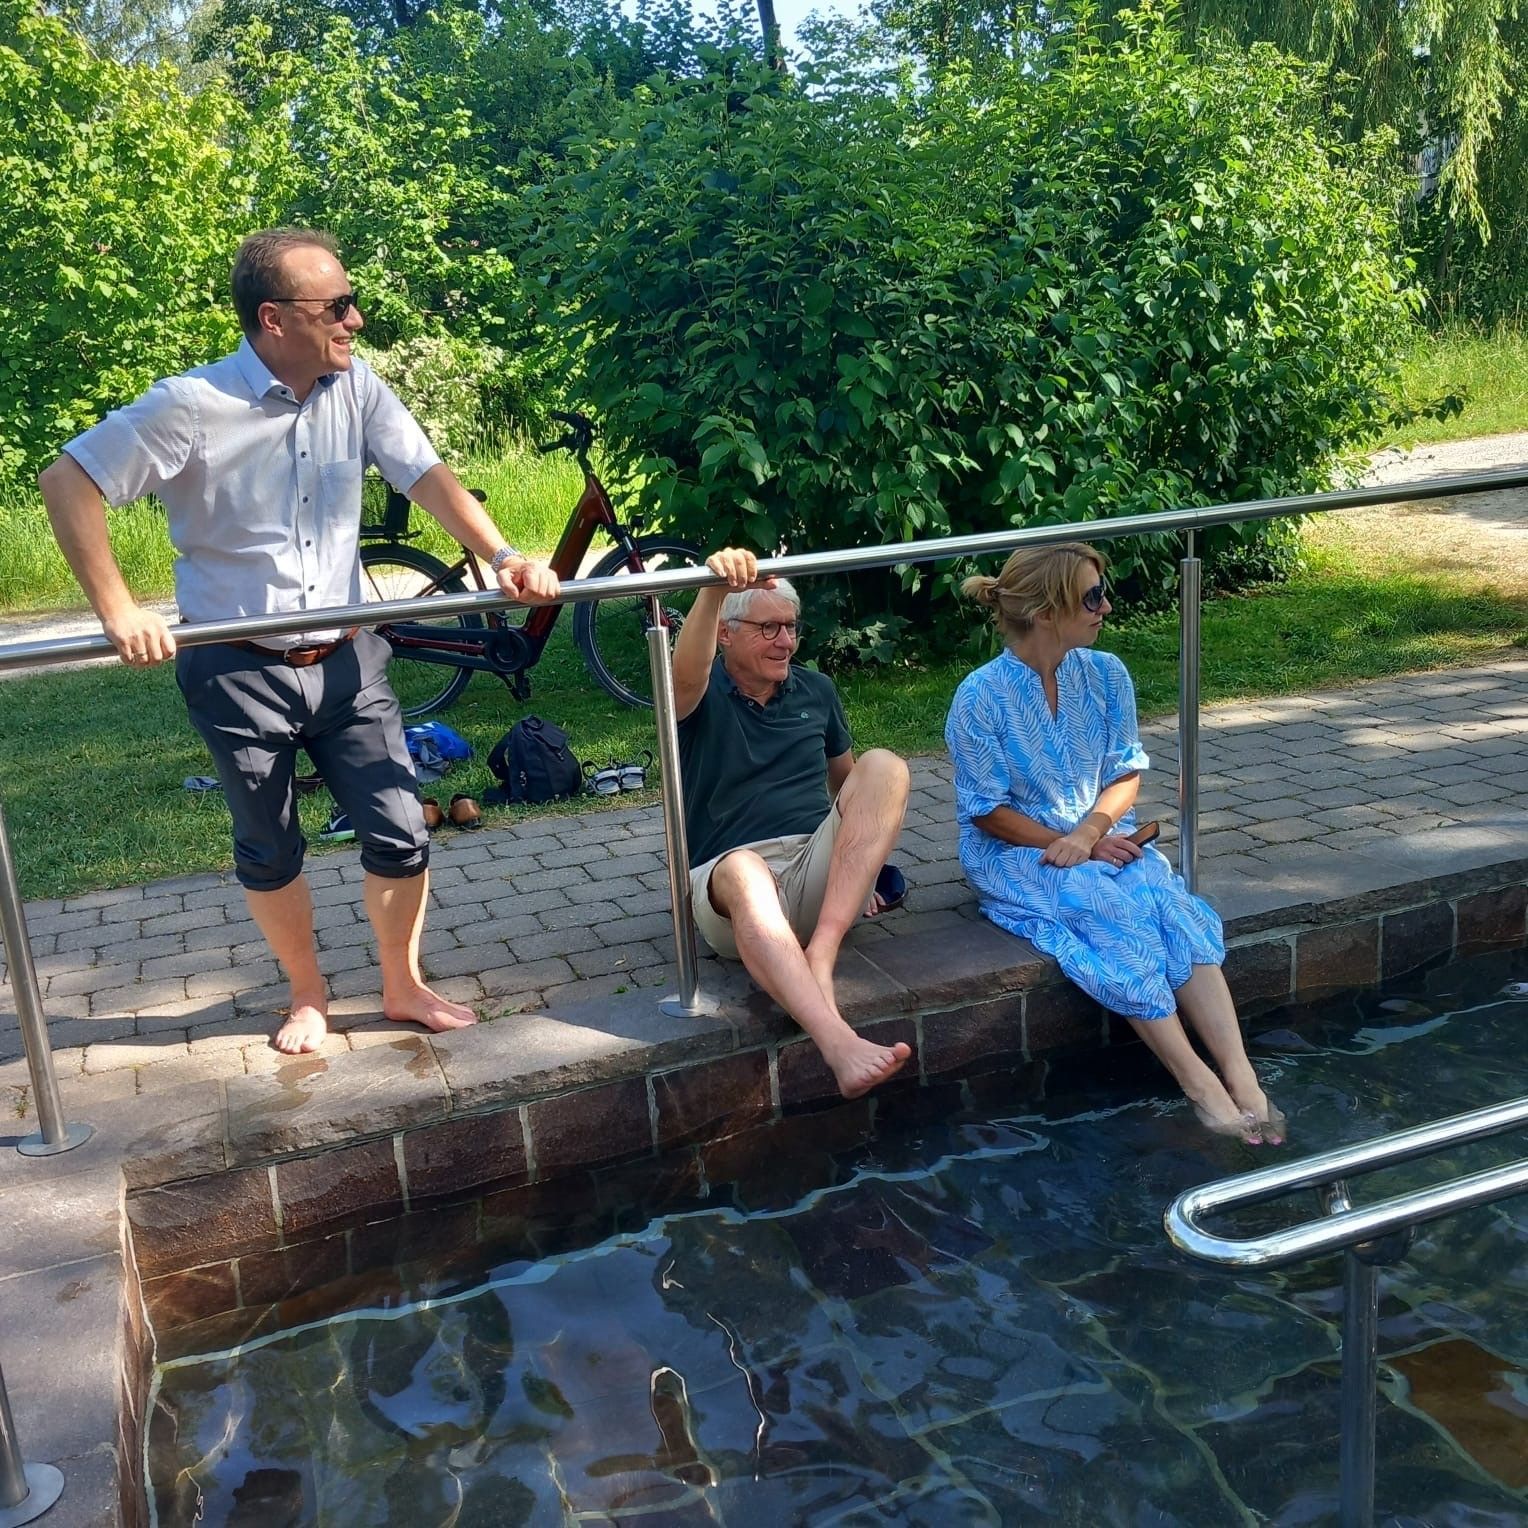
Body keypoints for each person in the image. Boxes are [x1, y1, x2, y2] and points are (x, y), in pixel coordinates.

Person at [37, 227, 559, 1056]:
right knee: (271, 844)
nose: (355, 320)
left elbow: (426, 476)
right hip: (236, 668)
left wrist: (500, 554)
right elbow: (68, 481)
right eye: (338, 306)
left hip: (349, 659)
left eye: (352, 302)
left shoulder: (357, 388)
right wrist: (117, 608)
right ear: (274, 319)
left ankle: (401, 983)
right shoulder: (192, 405)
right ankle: (308, 995)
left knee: (401, 828)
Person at [944, 542, 1284, 1143]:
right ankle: (1197, 1083)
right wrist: (1072, 843)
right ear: (1048, 611)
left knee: (1166, 899)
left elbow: (1126, 774)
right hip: (1016, 851)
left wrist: (1093, 832)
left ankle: (1242, 1076)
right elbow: (987, 812)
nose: (1106, 607)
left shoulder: (1107, 675)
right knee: (1108, 905)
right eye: (1093, 596)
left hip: (1096, 834)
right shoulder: (978, 697)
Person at [673, 548, 914, 1099]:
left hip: (814, 873)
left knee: (886, 767)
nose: (786, 641)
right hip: (731, 887)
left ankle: (821, 956)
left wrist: (865, 869)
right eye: (769, 628)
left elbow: (851, 787)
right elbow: (686, 670)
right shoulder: (697, 694)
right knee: (743, 870)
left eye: (791, 628)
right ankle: (837, 1043)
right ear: (727, 635)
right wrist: (713, 587)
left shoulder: (816, 690)